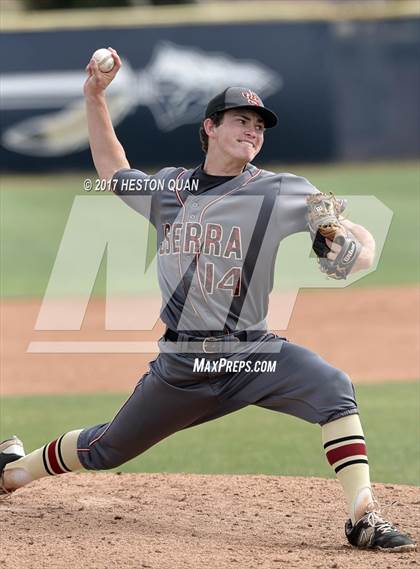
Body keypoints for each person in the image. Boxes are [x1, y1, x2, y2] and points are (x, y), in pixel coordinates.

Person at [0, 48, 415, 553]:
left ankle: (362, 516)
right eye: (242, 120)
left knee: (333, 387)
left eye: (260, 125)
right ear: (210, 128)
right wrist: (94, 96)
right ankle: (12, 471)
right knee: (106, 447)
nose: (254, 131)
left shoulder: (282, 190)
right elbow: (112, 167)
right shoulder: (169, 189)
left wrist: (354, 251)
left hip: (254, 353)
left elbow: (350, 235)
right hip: (182, 363)